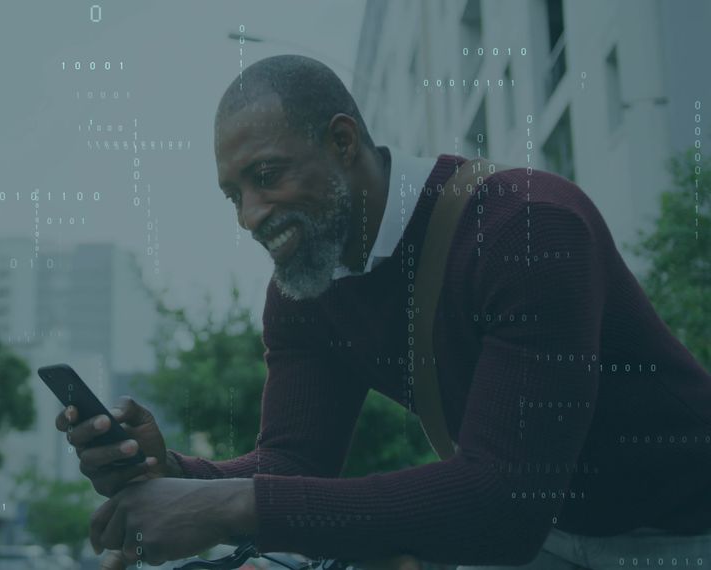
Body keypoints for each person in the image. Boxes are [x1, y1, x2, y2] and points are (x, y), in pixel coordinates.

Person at [55, 54, 711, 569]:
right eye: (233, 195)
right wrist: (174, 476)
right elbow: (291, 464)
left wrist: (227, 504)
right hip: (545, 537)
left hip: (681, 527)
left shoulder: (528, 228)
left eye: (267, 176)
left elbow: (505, 507)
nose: (251, 217)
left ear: (343, 142)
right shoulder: (303, 290)